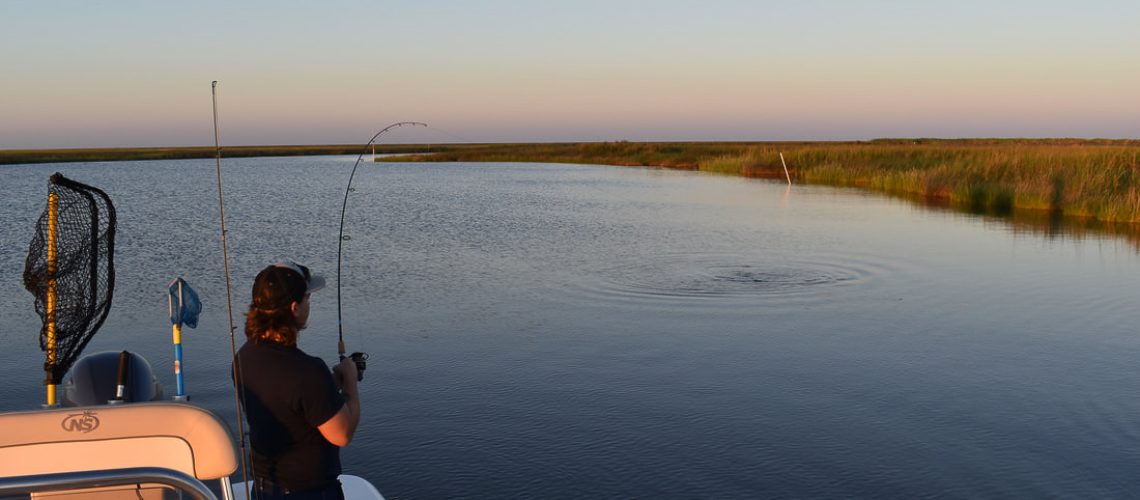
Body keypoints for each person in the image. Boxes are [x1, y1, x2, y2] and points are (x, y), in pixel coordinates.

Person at [234, 261, 361, 500]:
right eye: (308, 299)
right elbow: (342, 434)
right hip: (309, 493)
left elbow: (285, 400)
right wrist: (351, 383)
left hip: (264, 490)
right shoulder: (309, 371)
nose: (308, 304)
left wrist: (329, 385)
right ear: (295, 308)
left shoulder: (243, 357)